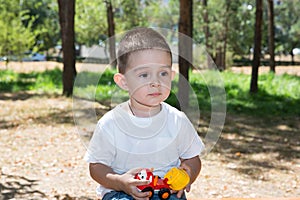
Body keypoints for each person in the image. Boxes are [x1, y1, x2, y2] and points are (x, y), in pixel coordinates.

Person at [85, 27, 205, 200]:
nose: (155, 82)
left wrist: (188, 173)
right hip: (121, 192)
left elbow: (193, 159)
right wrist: (120, 182)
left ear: (171, 75)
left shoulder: (177, 120)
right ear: (124, 82)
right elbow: (97, 167)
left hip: (167, 190)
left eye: (163, 73)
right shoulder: (110, 123)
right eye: (144, 75)